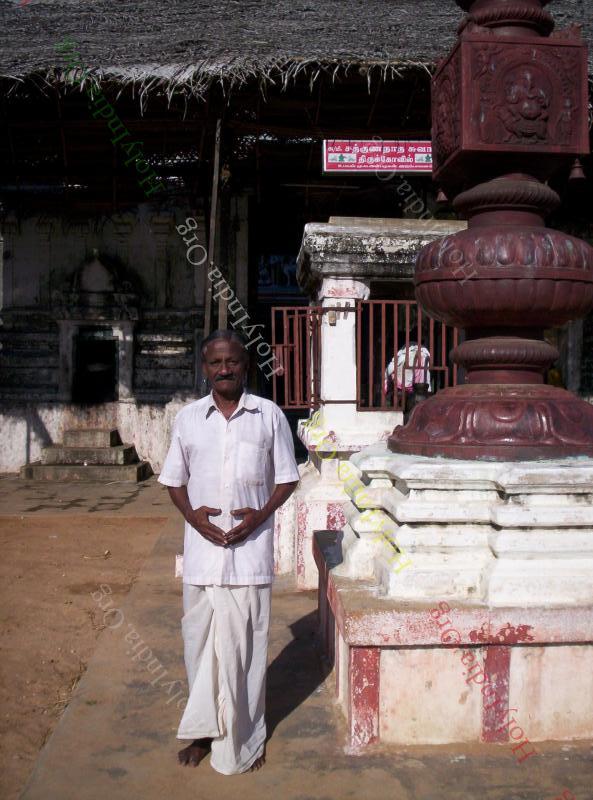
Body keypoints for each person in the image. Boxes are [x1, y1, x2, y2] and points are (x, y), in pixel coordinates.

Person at [158, 329, 299, 775]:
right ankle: (202, 733)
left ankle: (245, 736)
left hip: (249, 557)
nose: (224, 369)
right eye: (215, 362)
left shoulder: (269, 415)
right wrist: (193, 518)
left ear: (246, 366)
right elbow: (173, 481)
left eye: (232, 362)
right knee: (199, 649)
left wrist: (258, 517)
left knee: (247, 653)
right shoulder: (188, 419)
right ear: (204, 369)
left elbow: (288, 477)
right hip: (202, 557)